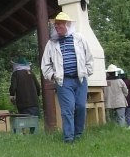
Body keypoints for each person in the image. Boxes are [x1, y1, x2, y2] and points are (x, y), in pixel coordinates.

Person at [41, 12, 94, 143]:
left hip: (80, 79)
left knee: (80, 107)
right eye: (55, 24)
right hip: (63, 81)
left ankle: (78, 135)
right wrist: (53, 76)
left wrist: (87, 71)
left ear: (67, 25)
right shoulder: (51, 43)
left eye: (59, 24)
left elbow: (89, 57)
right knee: (68, 109)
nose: (56, 26)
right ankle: (69, 138)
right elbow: (45, 64)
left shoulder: (79, 38)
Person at [9, 56, 41, 133]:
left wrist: (12, 95)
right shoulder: (31, 73)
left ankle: (23, 132)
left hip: (22, 101)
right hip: (33, 101)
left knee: (23, 117)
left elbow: (13, 87)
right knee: (33, 118)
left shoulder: (16, 74)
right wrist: (37, 95)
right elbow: (38, 86)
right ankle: (33, 133)